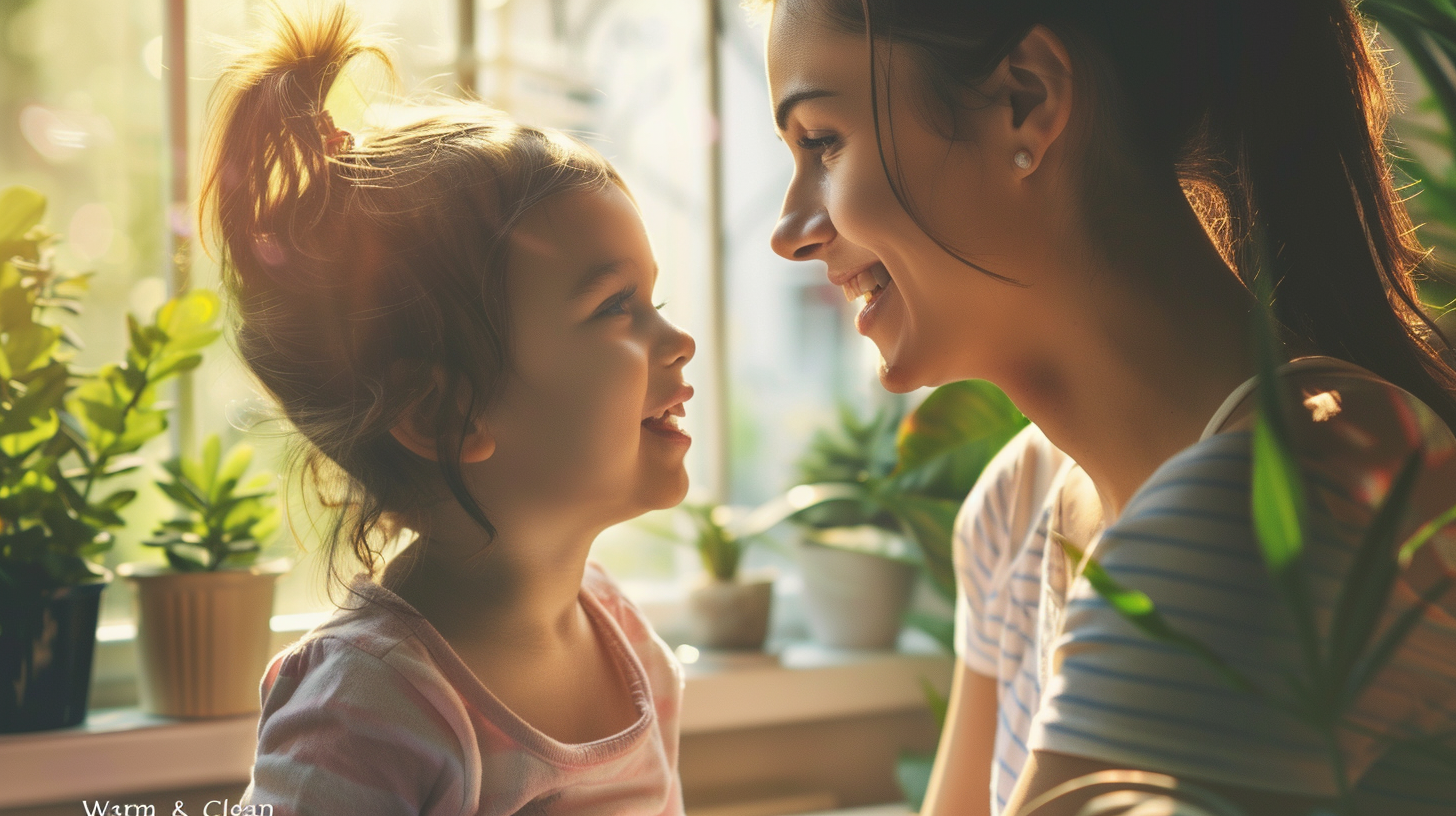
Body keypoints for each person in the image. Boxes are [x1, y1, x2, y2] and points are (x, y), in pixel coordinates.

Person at [757, 0, 1456, 814]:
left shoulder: (1284, 498)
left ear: (1026, 99)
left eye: (823, 142)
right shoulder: (1015, 511)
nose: (789, 231)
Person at [198, 6, 695, 814]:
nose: (678, 339)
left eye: (655, 298)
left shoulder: (631, 643)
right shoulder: (363, 707)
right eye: (615, 308)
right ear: (445, 416)